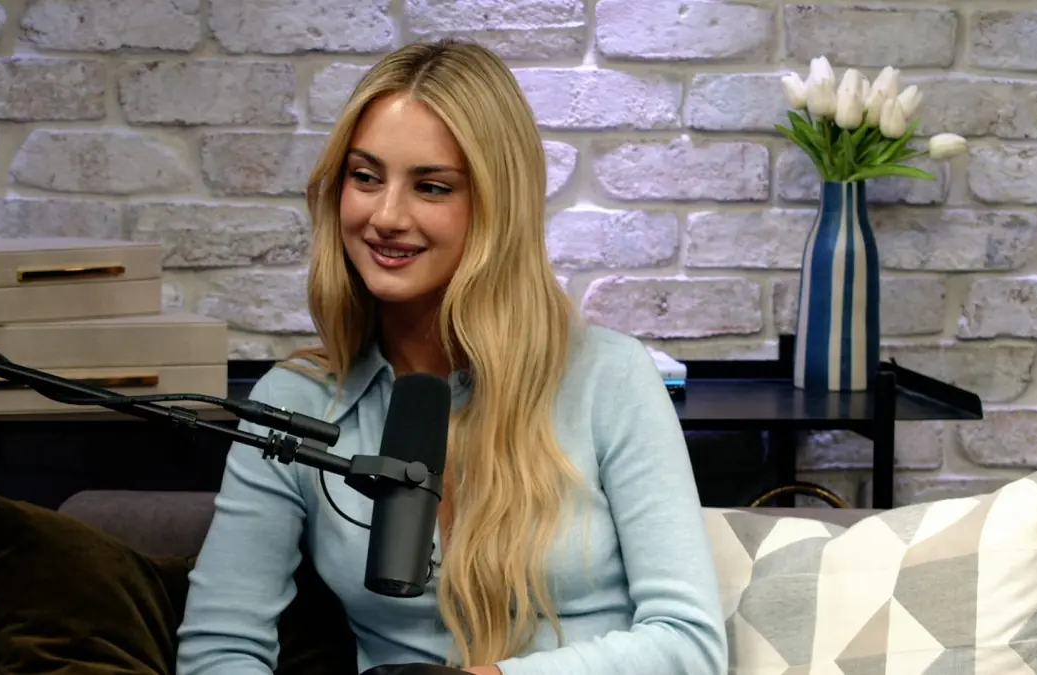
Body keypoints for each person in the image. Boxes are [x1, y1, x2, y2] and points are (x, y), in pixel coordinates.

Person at [176, 39, 728, 675]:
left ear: (497, 206)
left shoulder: (612, 378)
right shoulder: (296, 403)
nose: (387, 216)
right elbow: (221, 648)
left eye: (431, 187)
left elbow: (689, 643)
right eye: (365, 177)